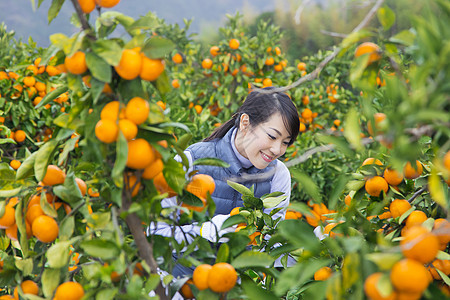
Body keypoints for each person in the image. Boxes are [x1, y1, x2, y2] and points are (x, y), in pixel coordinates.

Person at [150, 87, 300, 277]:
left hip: (234, 286)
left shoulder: (278, 176)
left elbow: (269, 244)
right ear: (245, 123)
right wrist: (204, 230)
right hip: (180, 282)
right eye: (272, 136)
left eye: (286, 142)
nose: (278, 149)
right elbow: (155, 231)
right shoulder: (191, 160)